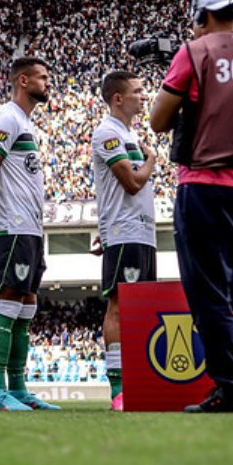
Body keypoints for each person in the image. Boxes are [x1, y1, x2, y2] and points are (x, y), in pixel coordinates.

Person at [149, 0, 233, 413]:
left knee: (209, 294)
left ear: (201, 17)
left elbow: (158, 120)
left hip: (205, 184)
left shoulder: (194, 52)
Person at [0, 57, 60, 411]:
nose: (48, 83)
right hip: (10, 225)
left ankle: (19, 388)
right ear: (23, 81)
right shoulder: (6, 118)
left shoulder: (26, 123)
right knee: (9, 301)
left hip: (30, 228)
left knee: (27, 305)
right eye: (42, 77)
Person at [90, 71, 158, 412]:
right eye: (137, 90)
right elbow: (132, 183)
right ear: (118, 98)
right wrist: (151, 162)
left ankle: (139, 383)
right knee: (119, 306)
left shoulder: (129, 134)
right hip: (125, 233)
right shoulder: (108, 133)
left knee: (141, 310)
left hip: (143, 233)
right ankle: (118, 389)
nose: (143, 96)